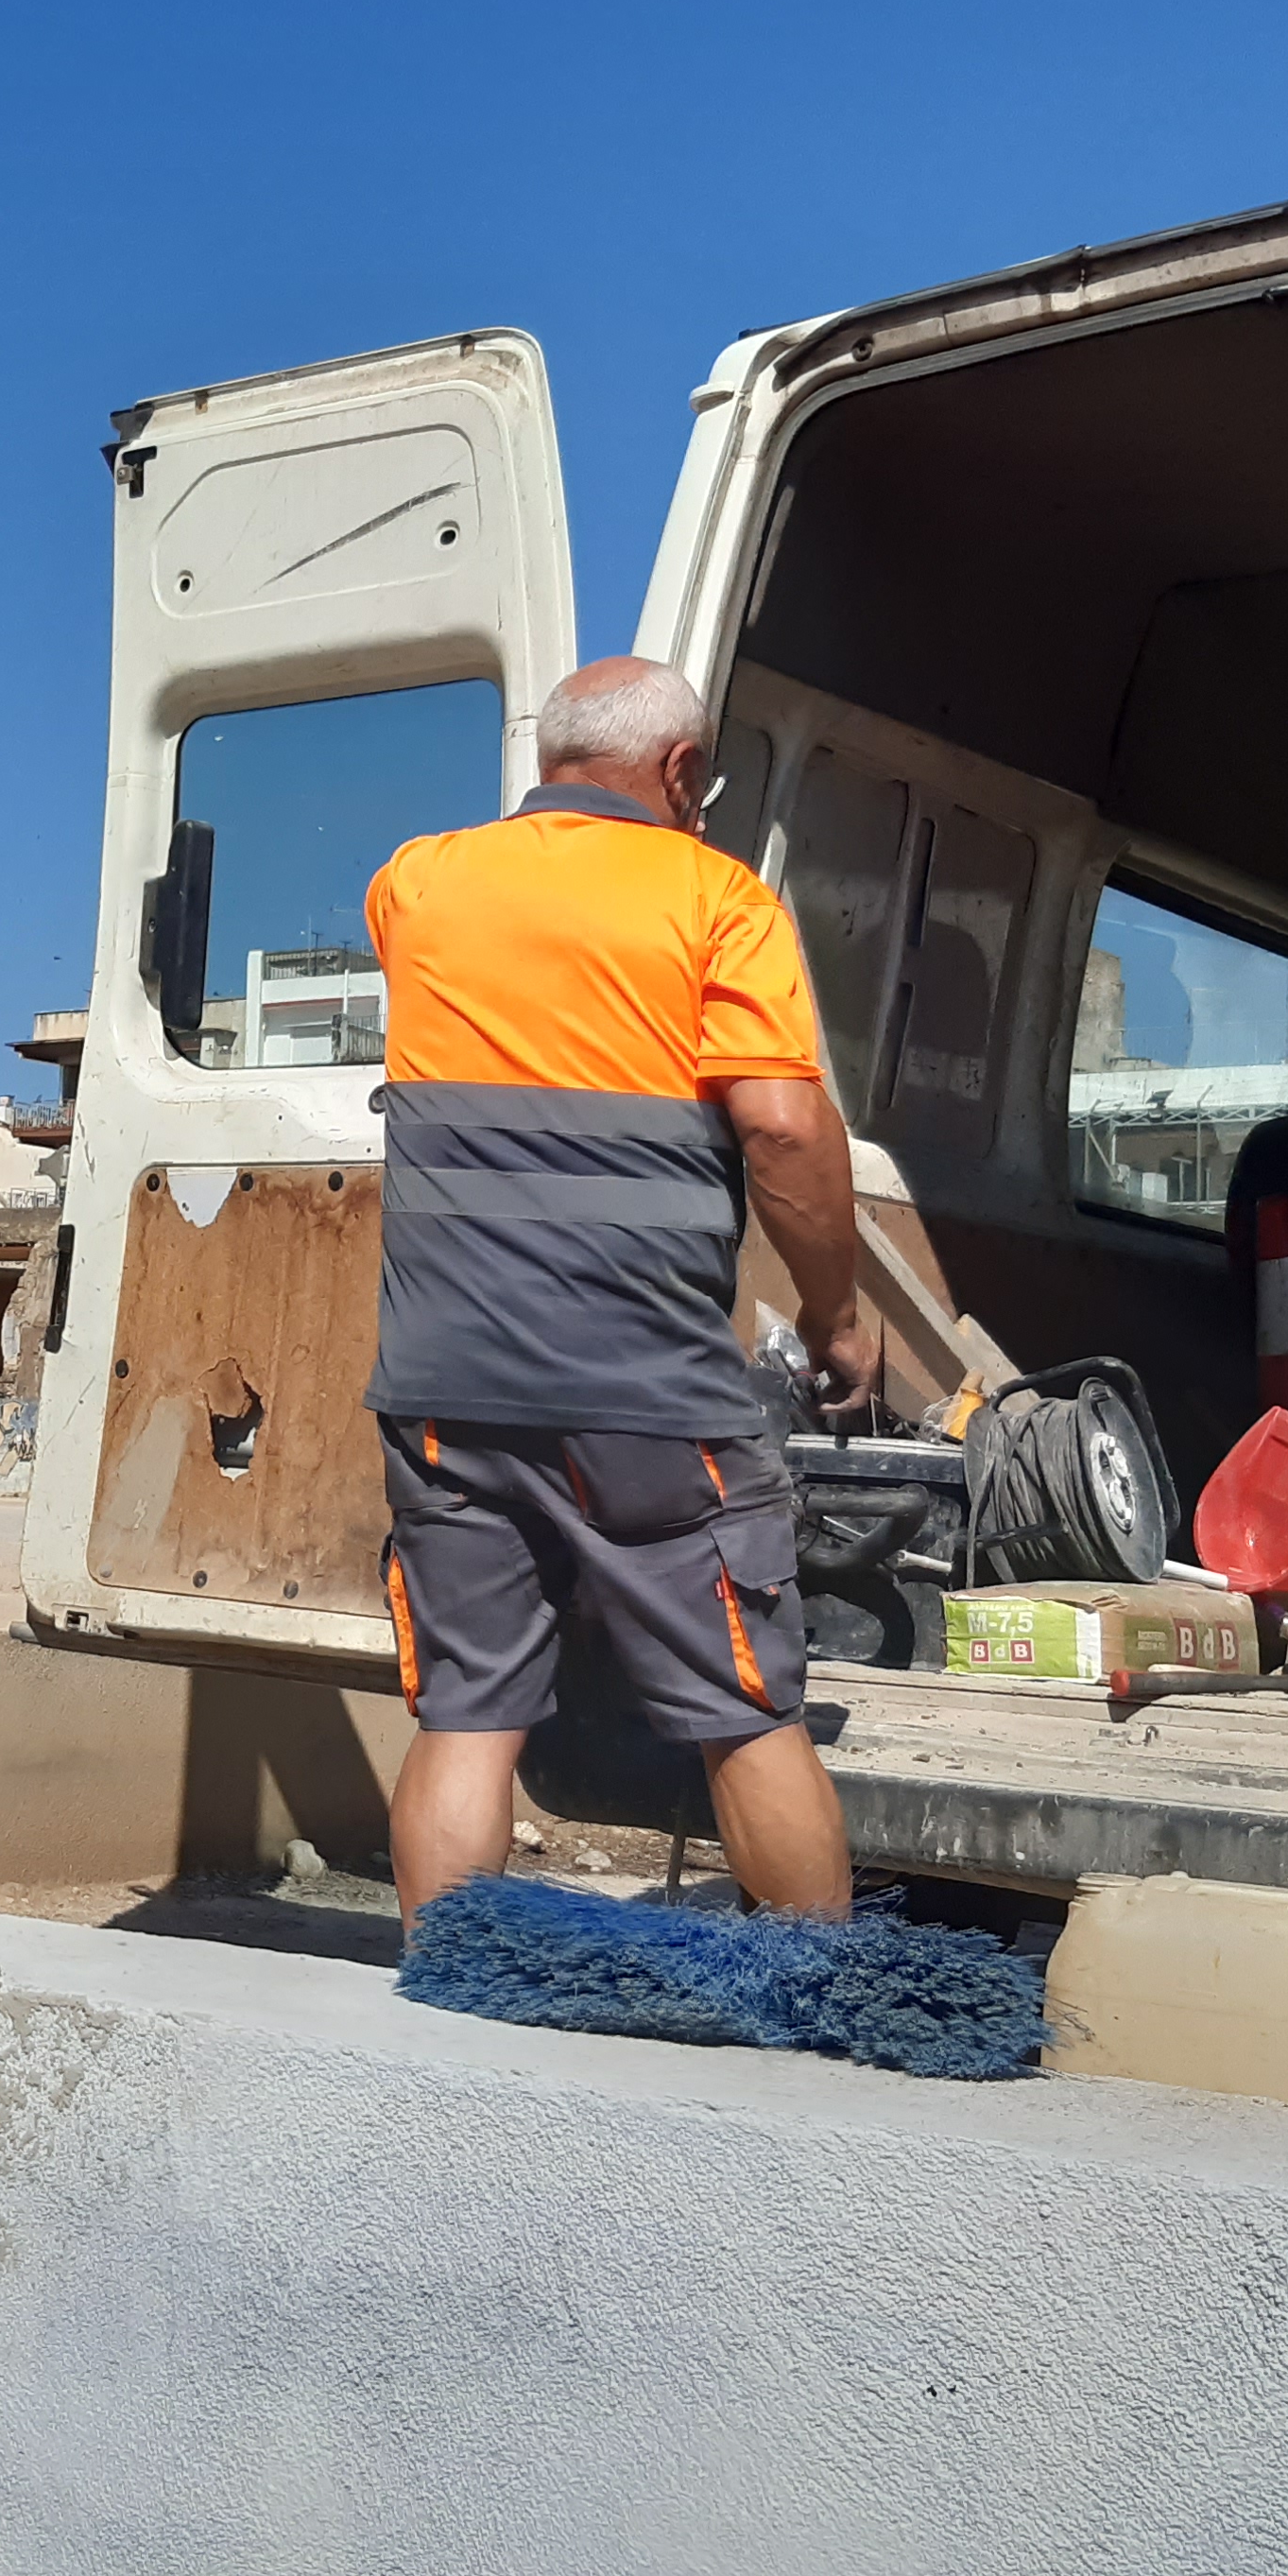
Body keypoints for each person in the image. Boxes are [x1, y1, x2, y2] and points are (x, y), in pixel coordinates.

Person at [365, 656, 882, 1920]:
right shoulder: (719, 899)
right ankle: (812, 2002)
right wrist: (836, 1315)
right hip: (645, 1390)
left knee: (468, 1714)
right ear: (682, 772)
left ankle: (449, 1993)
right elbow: (782, 1129)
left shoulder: (416, 882)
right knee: (746, 1712)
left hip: (443, 1389)